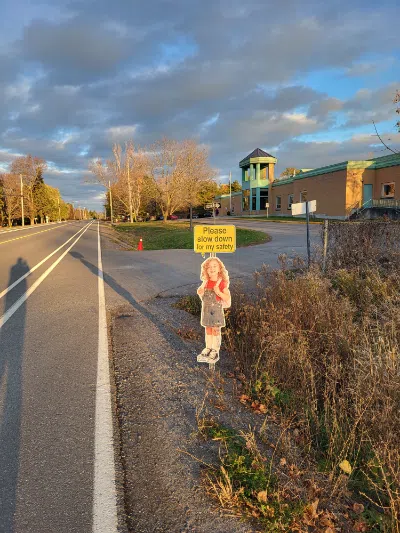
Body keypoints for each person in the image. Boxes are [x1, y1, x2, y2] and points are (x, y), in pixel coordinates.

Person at [196, 257, 231, 364]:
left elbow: (227, 297)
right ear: (206, 270)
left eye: (215, 266)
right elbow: (203, 296)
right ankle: (208, 348)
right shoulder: (206, 282)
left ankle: (215, 350)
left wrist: (218, 292)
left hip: (216, 311)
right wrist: (200, 291)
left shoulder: (221, 283)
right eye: (209, 267)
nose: (212, 269)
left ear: (220, 268)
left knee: (215, 330)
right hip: (207, 310)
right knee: (208, 329)